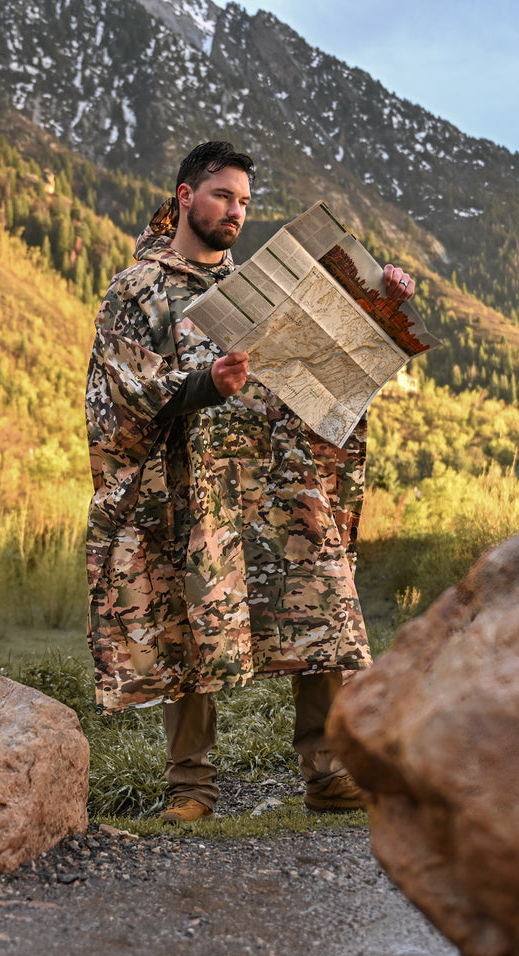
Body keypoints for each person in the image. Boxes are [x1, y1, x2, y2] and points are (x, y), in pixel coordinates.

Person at [84, 141, 416, 822]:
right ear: (184, 196)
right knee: (187, 618)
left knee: (321, 605)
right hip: (193, 490)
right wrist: (205, 382)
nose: (234, 211)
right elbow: (119, 387)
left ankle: (327, 775)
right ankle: (191, 787)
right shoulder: (136, 289)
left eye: (242, 201)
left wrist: (379, 301)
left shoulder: (266, 290)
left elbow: (329, 365)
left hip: (279, 484)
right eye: (221, 196)